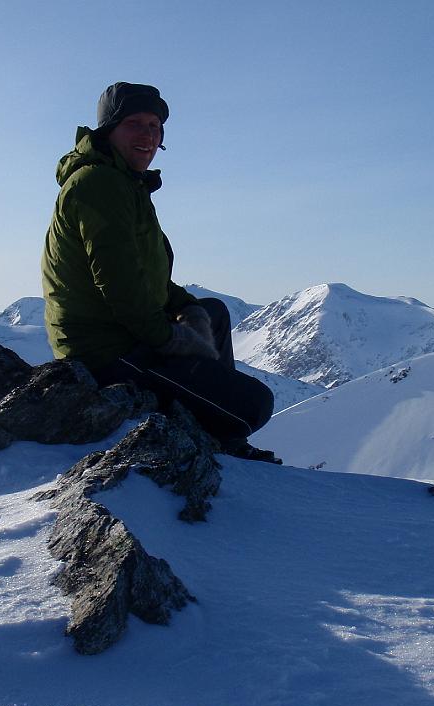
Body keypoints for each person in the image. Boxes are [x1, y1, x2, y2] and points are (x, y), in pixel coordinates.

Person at [41, 82, 280, 463]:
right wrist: (171, 339)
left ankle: (212, 419)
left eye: (155, 126)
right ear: (108, 129)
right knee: (254, 405)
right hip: (104, 352)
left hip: (123, 329)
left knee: (212, 313)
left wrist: (185, 307)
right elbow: (120, 288)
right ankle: (220, 432)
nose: (148, 135)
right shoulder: (99, 184)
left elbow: (144, 274)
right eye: (135, 123)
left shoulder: (125, 183)